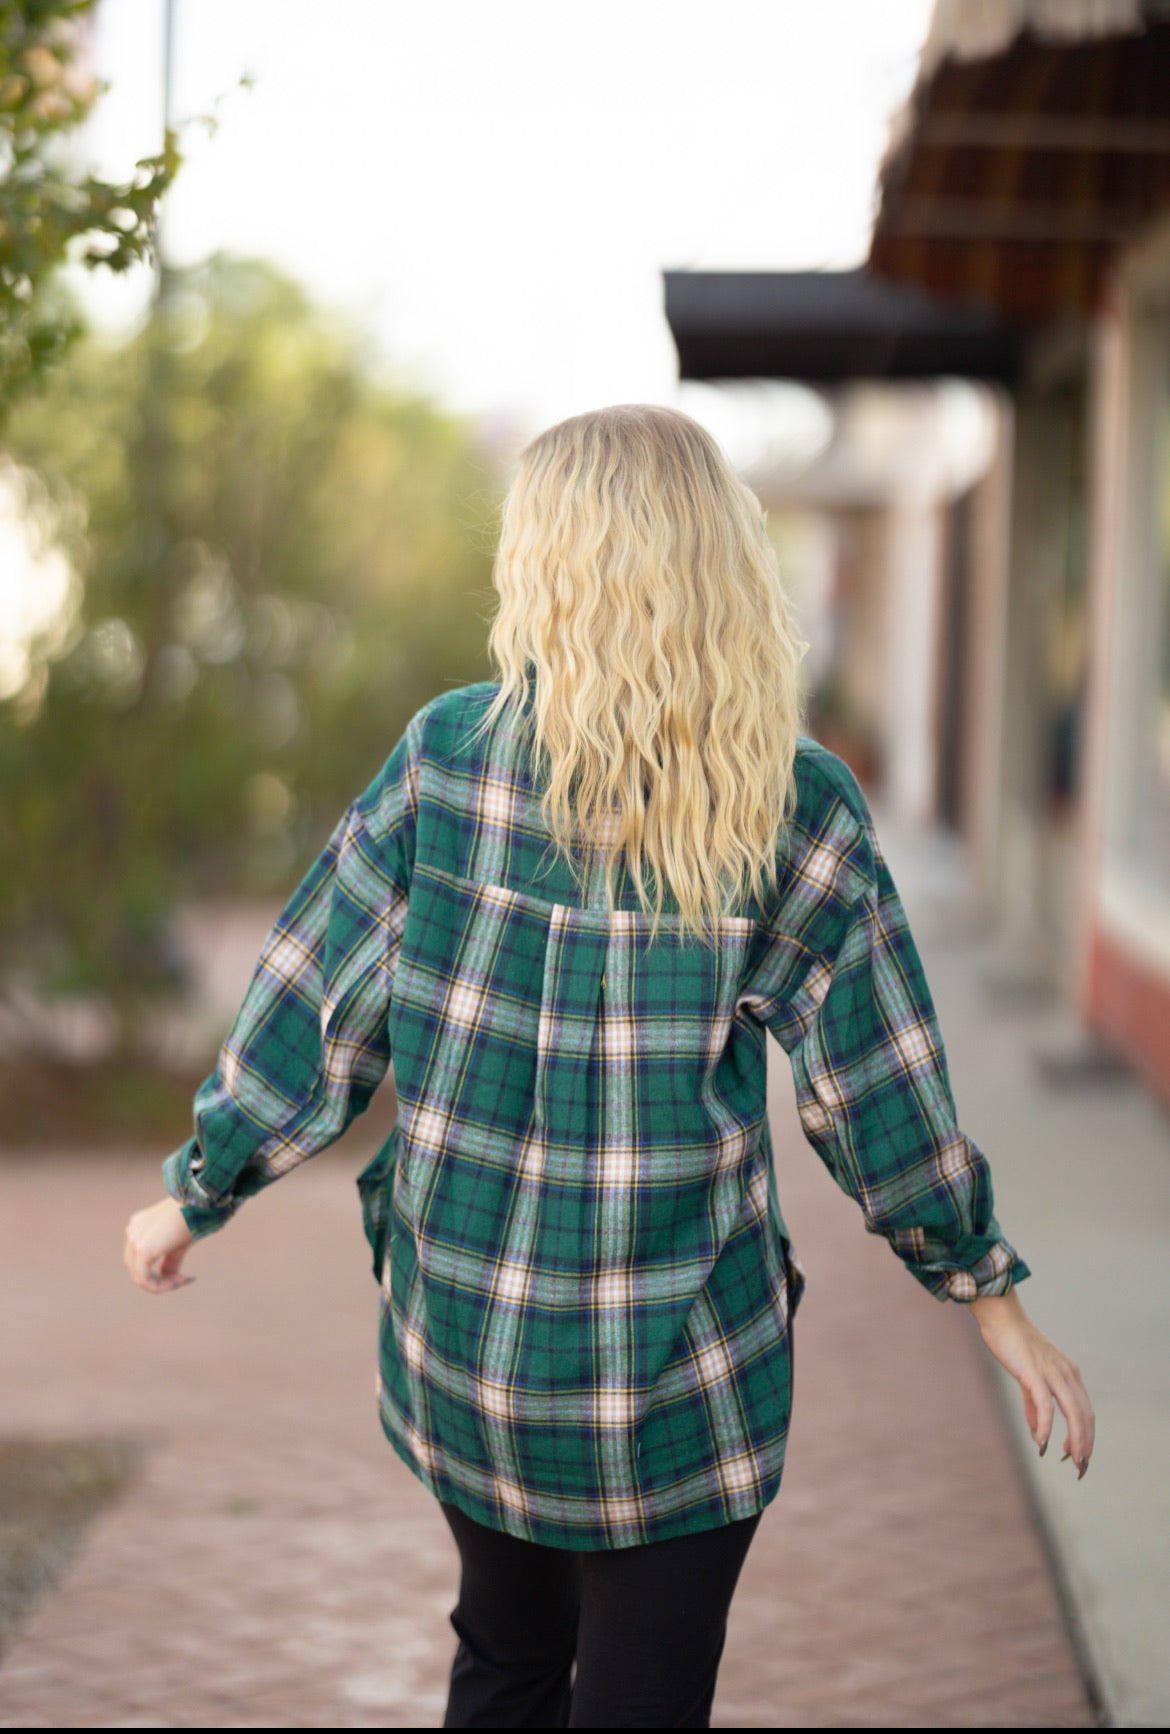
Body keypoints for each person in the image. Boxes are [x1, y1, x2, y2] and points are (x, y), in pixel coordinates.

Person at [124, 403, 1095, 1729]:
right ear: (720, 566)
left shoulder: (447, 757)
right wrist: (982, 1287)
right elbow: (874, 1091)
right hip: (674, 1386)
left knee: (505, 1664)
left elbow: (313, 1009)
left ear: (545, 564)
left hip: (470, 1352)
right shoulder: (791, 803)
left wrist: (199, 1186)